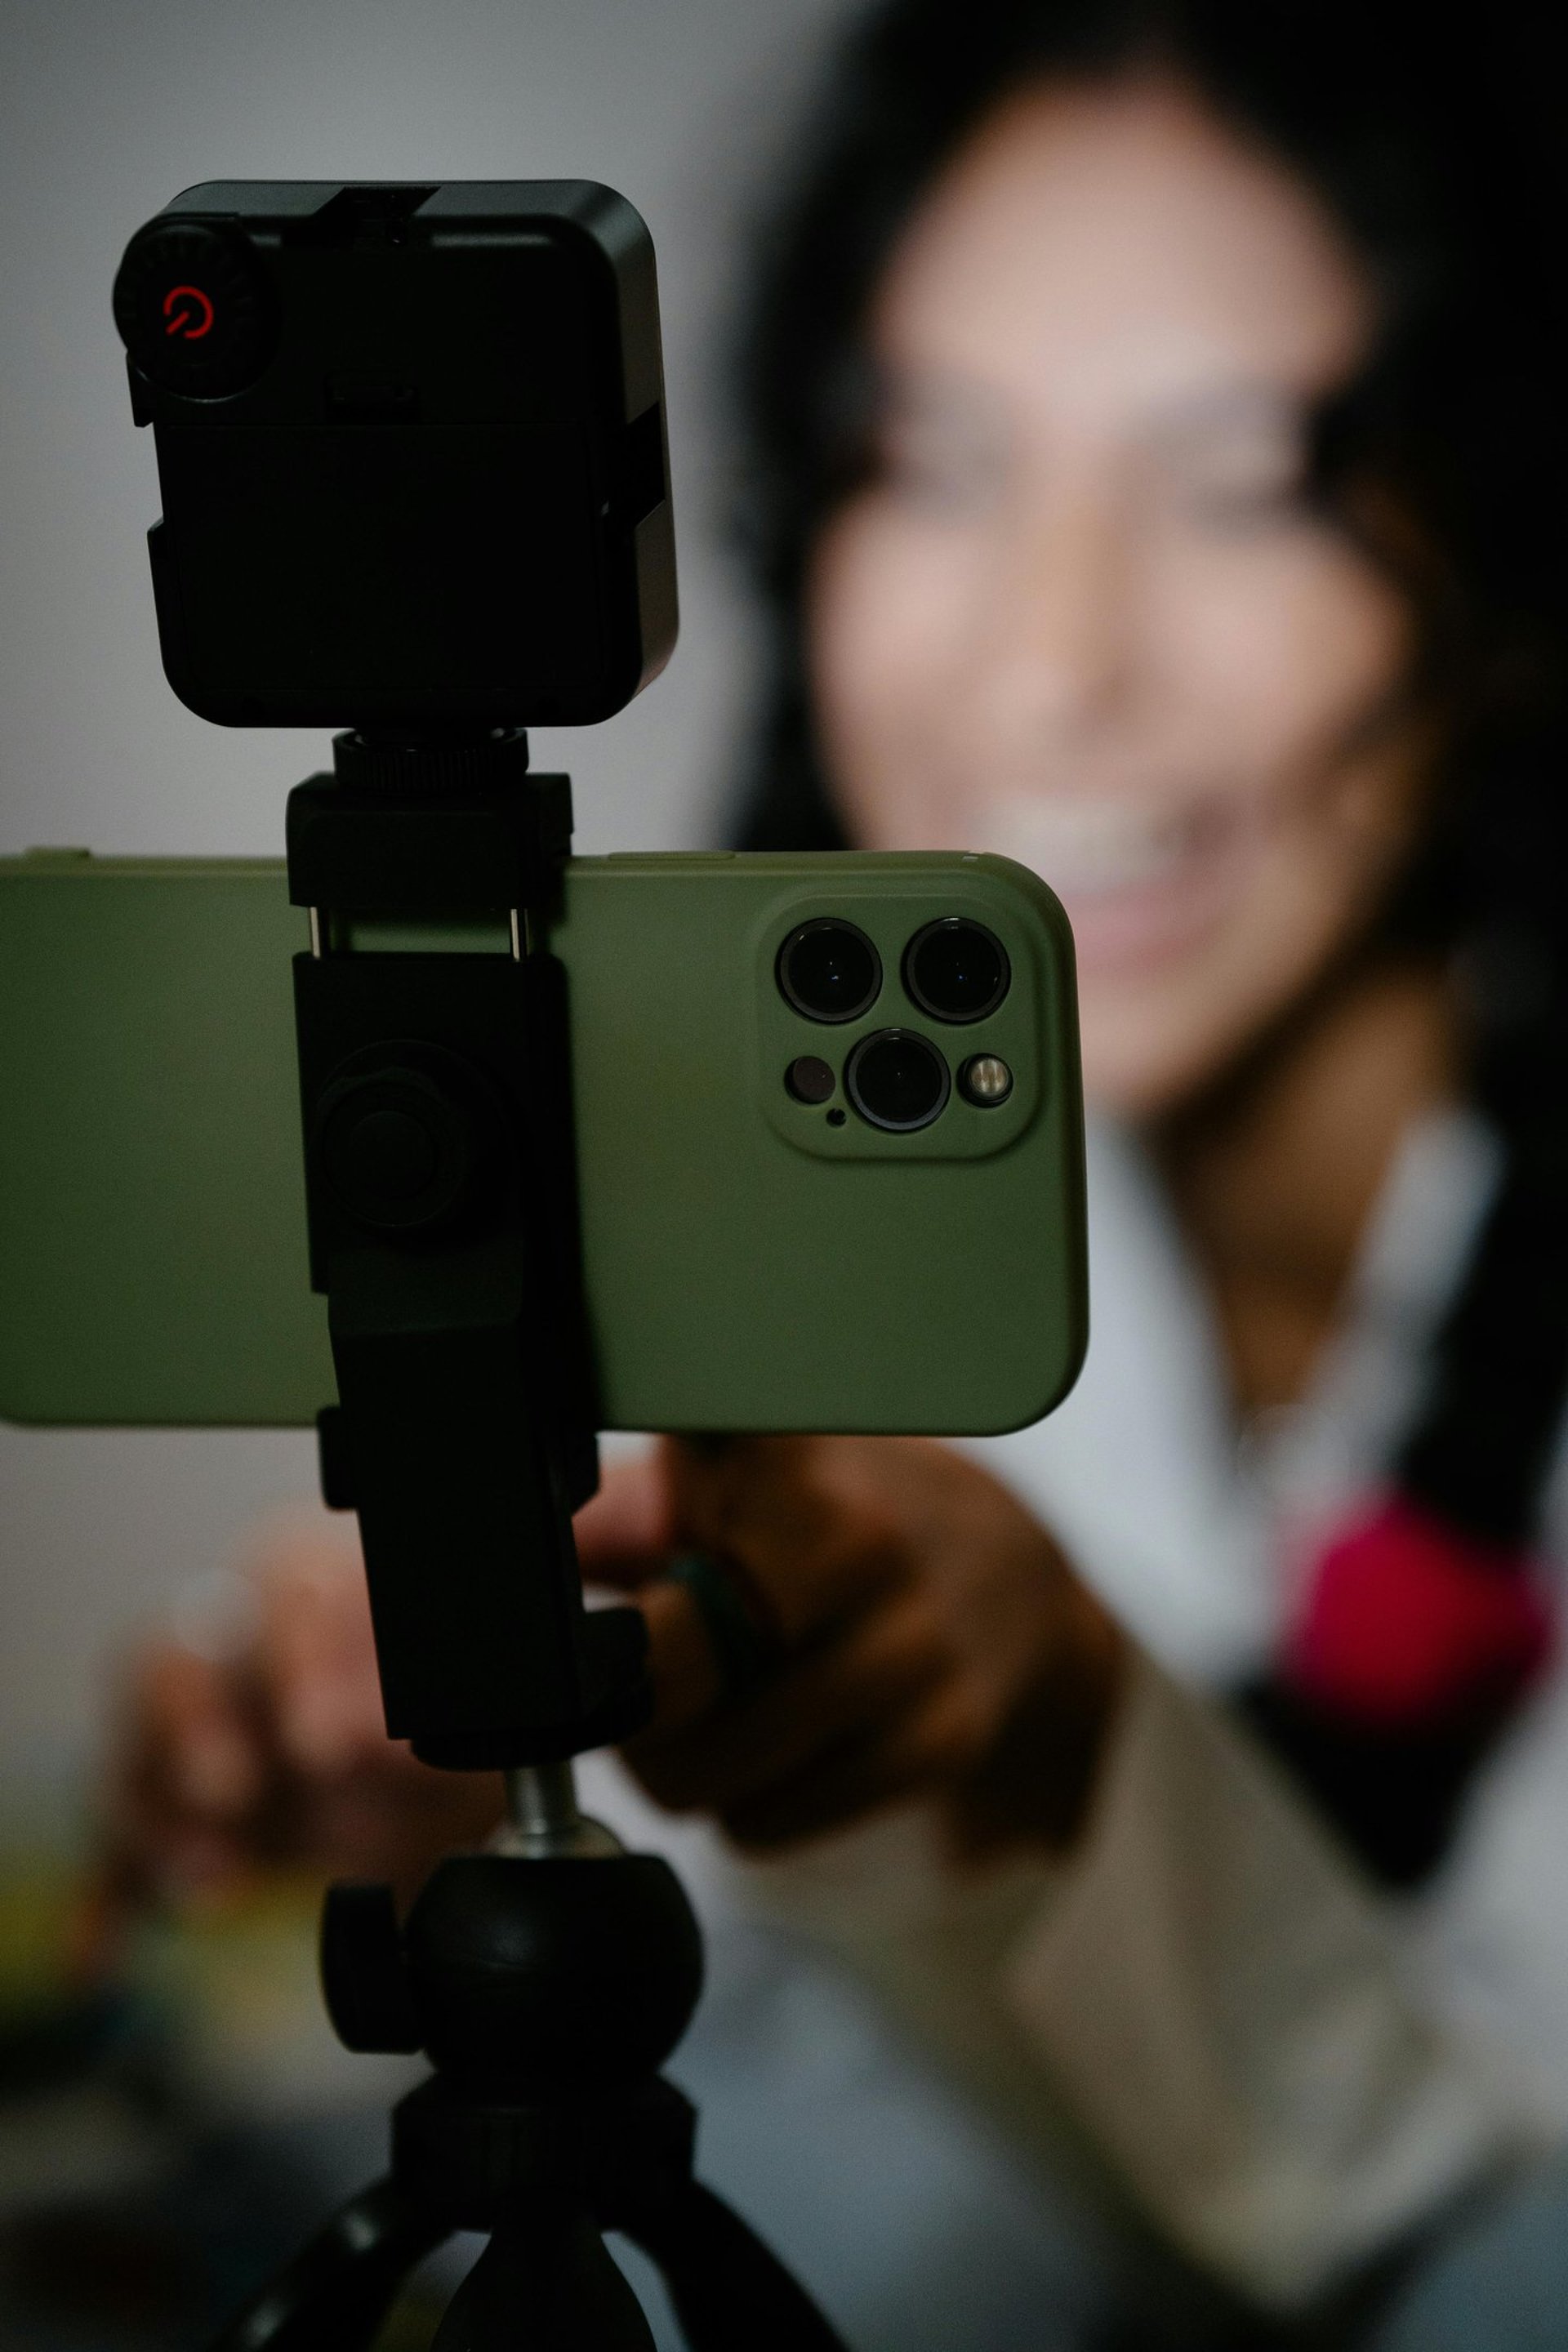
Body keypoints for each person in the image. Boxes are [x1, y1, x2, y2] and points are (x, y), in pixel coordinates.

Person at [102, 0, 1568, 2339]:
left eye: (1245, 479)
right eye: (939, 465)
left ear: (1502, 560)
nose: (1054, 667)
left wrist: (1055, 1739)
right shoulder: (850, 1279)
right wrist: (394, 1735)